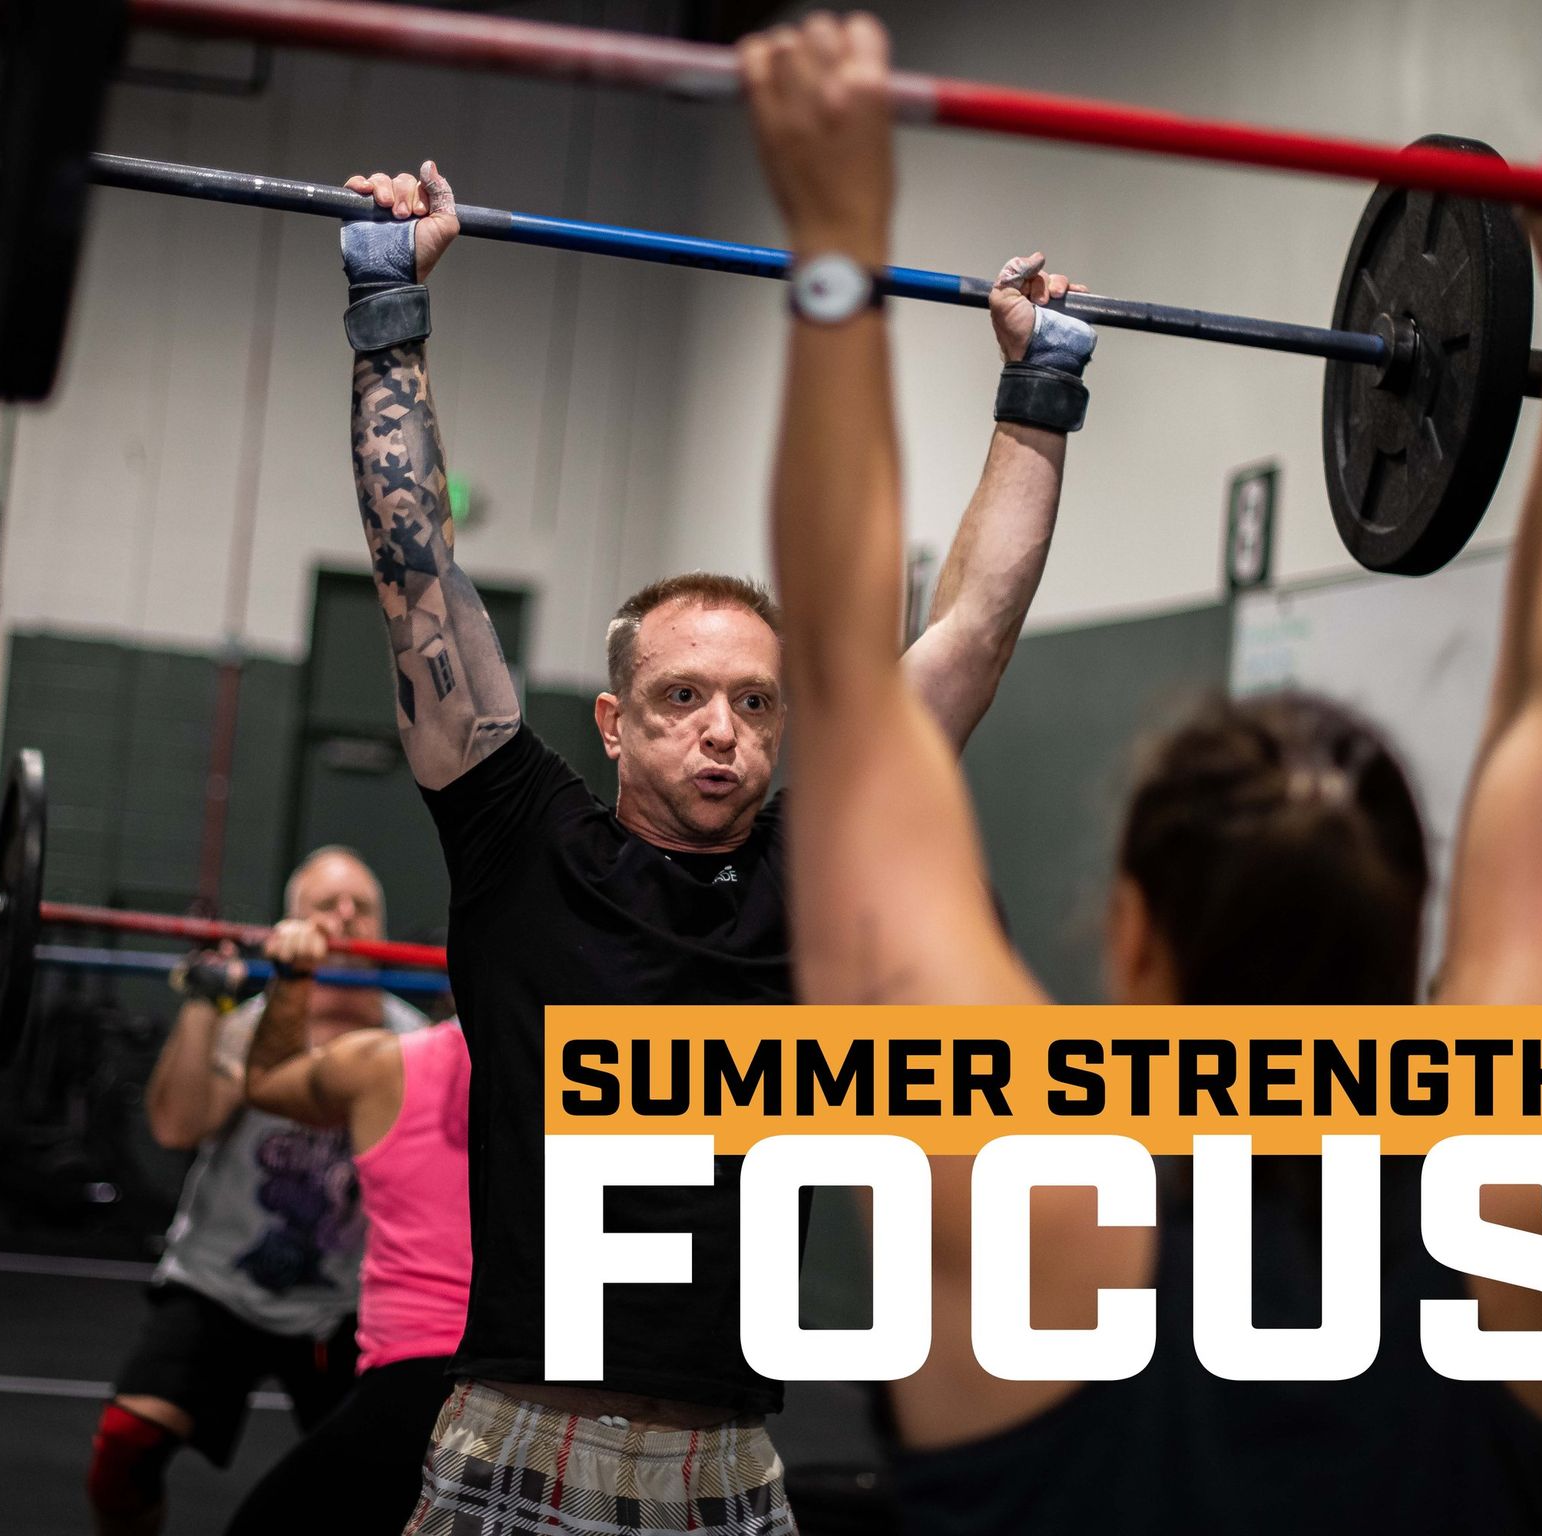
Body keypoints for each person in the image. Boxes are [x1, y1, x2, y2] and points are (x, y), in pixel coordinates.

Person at [742, 14, 1542, 1534]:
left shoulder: (1023, 1220)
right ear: (1416, 959)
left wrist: (837, 229)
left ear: (1130, 936)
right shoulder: (1511, 1207)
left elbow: (854, 712)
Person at [337, 146, 1095, 1529]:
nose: (723, 732)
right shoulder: (524, 847)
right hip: (520, 1442)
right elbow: (416, 576)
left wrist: (1038, 389)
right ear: (618, 722)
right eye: (683, 700)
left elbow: (972, 632)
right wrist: (391, 314)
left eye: (755, 702)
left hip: (730, 1469)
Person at [88, 847, 428, 1536]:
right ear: (288, 926)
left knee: (394, 1494)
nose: (343, 917)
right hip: (218, 1288)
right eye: (324, 906)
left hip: (344, 1307)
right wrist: (204, 1002)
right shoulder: (246, 1026)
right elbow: (178, 1126)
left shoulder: (413, 1045)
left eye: (359, 907)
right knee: (126, 1446)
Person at [221, 917, 471, 1536]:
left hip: (418, 1381)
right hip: (531, 1388)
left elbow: (265, 1081)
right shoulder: (603, 1078)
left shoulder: (380, 1066)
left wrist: (292, 975)